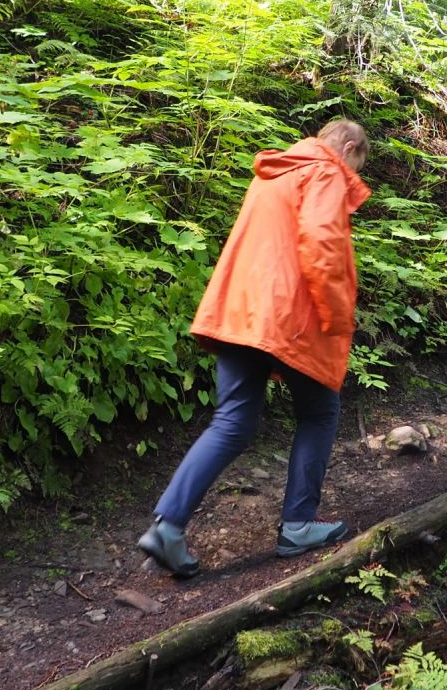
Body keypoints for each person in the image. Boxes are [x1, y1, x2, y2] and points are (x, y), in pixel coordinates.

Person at [138, 119, 371, 579]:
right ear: (346, 147)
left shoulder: (276, 172)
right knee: (320, 412)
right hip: (286, 316)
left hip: (239, 309)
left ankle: (168, 526)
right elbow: (322, 246)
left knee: (233, 421)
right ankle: (299, 524)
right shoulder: (324, 171)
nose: (351, 176)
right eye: (356, 166)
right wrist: (339, 318)